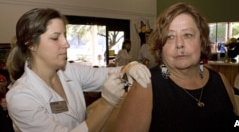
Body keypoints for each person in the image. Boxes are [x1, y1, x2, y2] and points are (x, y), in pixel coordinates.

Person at [5, 8, 151, 132]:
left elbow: (106, 74)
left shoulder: (70, 71)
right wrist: (107, 103)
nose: (66, 44)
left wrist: (131, 67)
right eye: (55, 38)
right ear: (31, 44)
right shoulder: (20, 97)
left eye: (65, 36)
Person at [115, 2, 237, 132]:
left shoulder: (221, 81)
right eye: (170, 37)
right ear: (160, 46)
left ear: (202, 41)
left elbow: (237, 124)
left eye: (187, 35)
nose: (179, 44)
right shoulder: (146, 87)